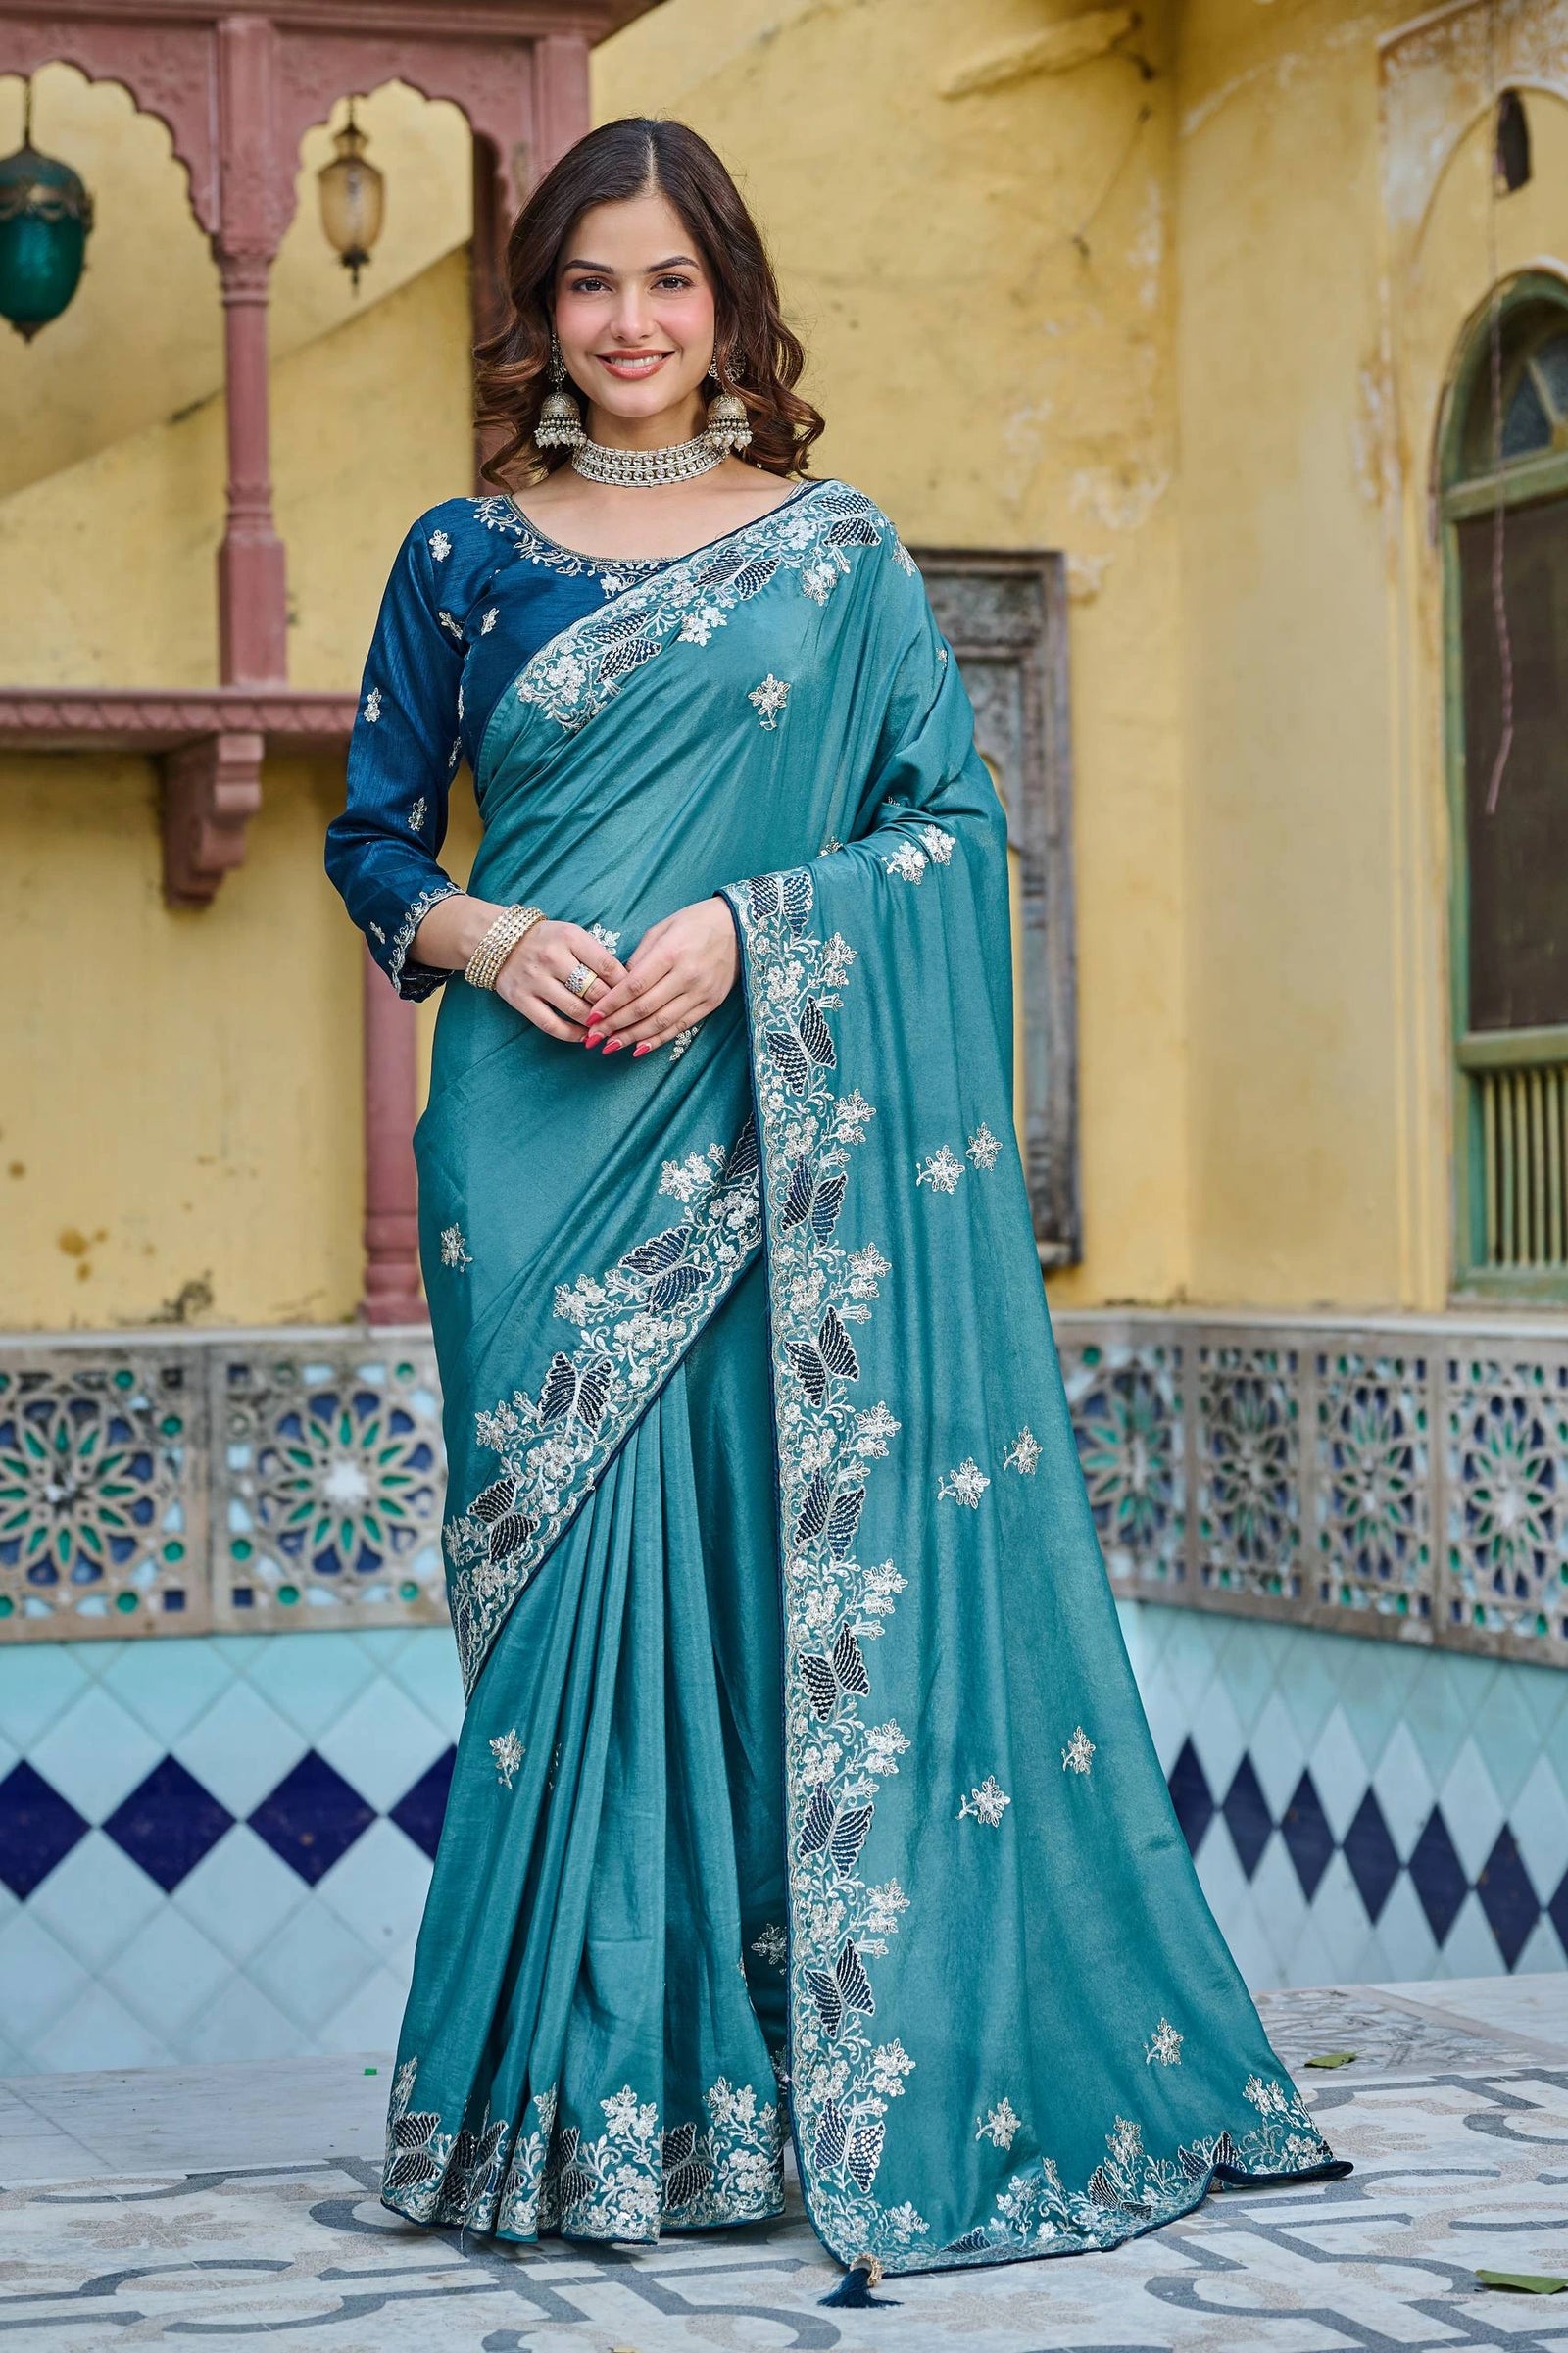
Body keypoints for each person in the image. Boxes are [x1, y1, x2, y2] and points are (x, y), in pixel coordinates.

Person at [325, 115, 1346, 2293]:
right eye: (589, 284)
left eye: (666, 282)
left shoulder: (836, 554)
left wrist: (754, 925)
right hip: (535, 1138)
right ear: (541, 309)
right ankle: (564, 2111)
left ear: (729, 305)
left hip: (764, 1133)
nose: (628, 324)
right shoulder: (458, 556)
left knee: (757, 1593)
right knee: (581, 1613)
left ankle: (778, 2092)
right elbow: (371, 843)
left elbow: (952, 838)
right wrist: (492, 941)